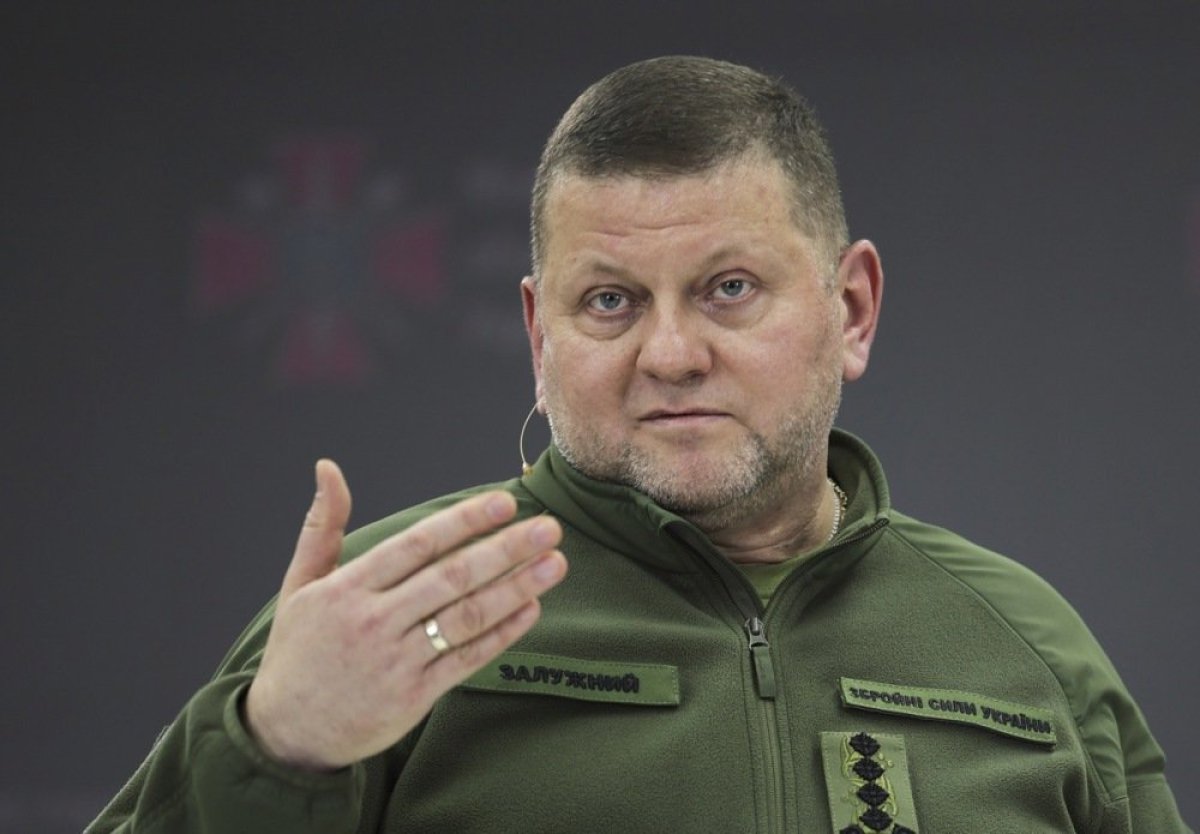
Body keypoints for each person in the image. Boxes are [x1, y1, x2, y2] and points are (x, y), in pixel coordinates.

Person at [87, 56, 1190, 833]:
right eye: (610, 301)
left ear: (851, 309)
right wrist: (275, 754)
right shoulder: (392, 613)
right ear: (539, 335)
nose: (670, 354)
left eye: (729, 289)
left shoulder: (1028, 649)